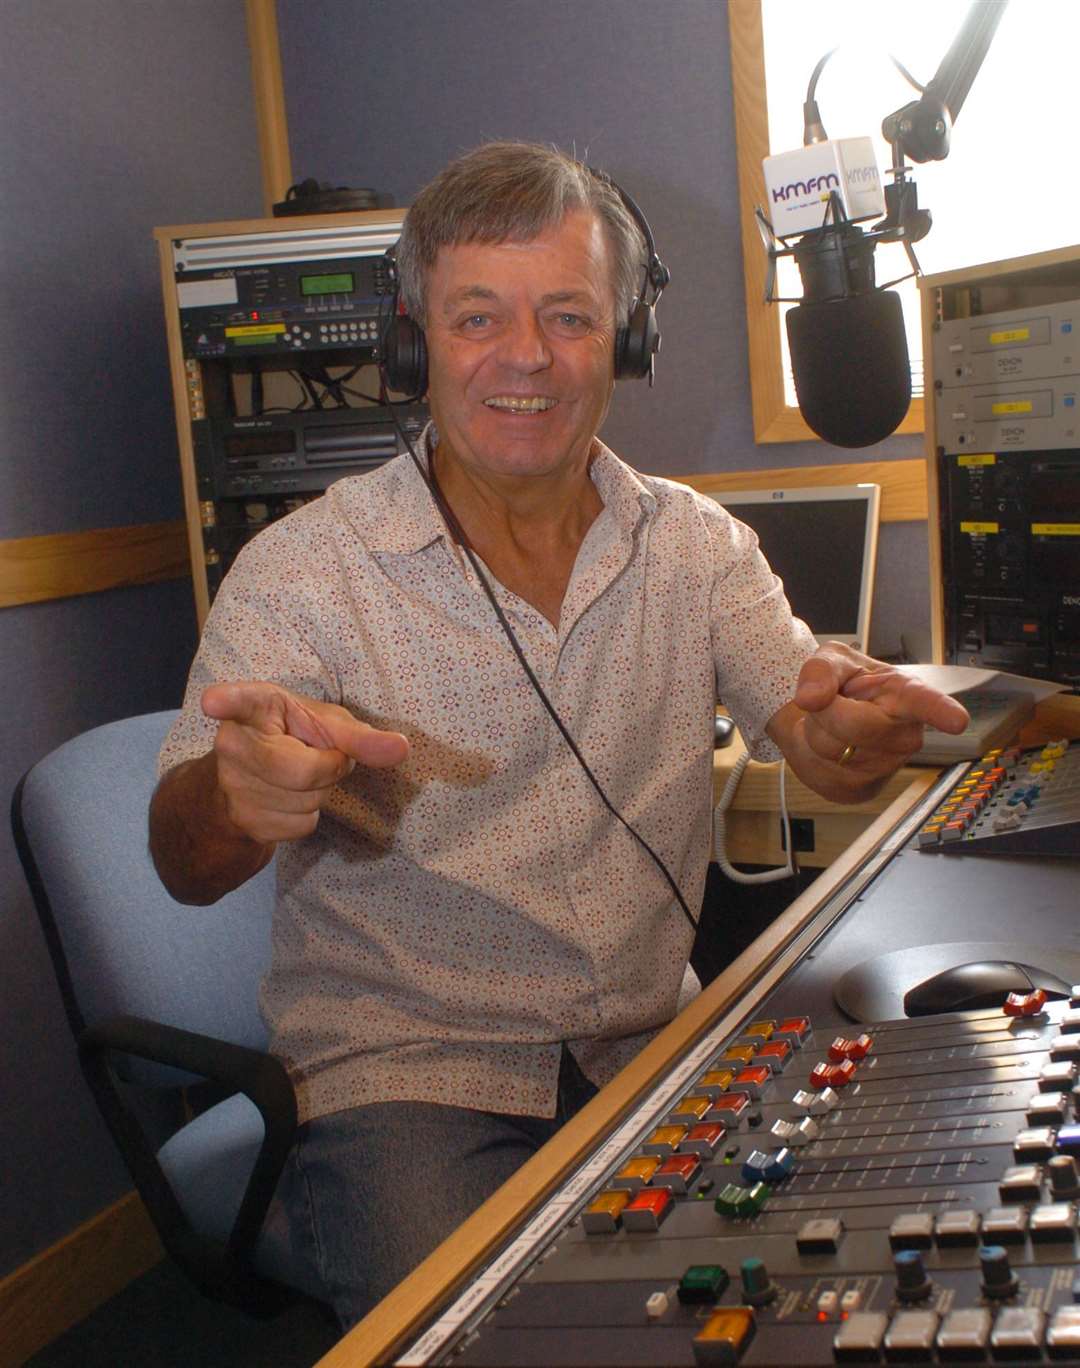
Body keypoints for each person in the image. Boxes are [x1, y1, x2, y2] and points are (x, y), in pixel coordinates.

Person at [149, 140, 968, 1327]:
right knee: (490, 1334)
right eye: (477, 316)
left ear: (628, 340)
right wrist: (233, 799)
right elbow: (183, 860)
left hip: (651, 1041)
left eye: (570, 317)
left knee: (817, 1281)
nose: (525, 356)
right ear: (415, 338)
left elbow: (804, 714)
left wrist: (842, 730)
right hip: (408, 1077)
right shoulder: (301, 576)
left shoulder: (694, 546)